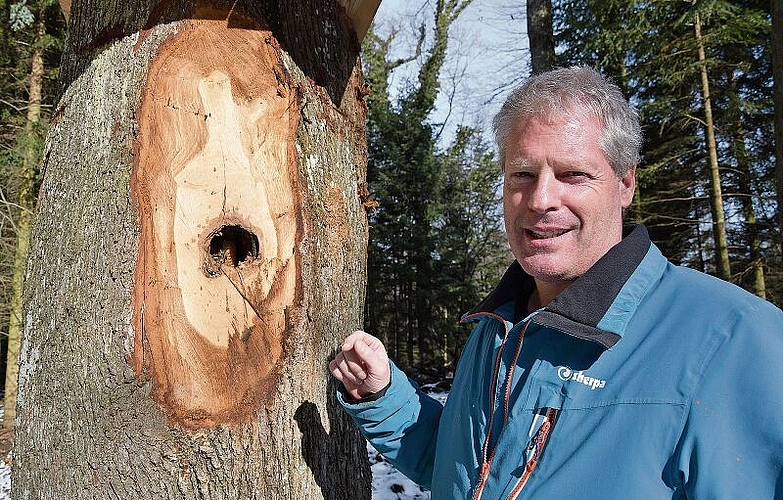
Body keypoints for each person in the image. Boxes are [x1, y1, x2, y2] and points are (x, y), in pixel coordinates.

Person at [329, 66, 783, 499]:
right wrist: (384, 397)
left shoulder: (735, 339)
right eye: (523, 175)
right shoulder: (500, 325)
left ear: (625, 184)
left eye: (573, 175)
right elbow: (467, 474)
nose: (541, 199)